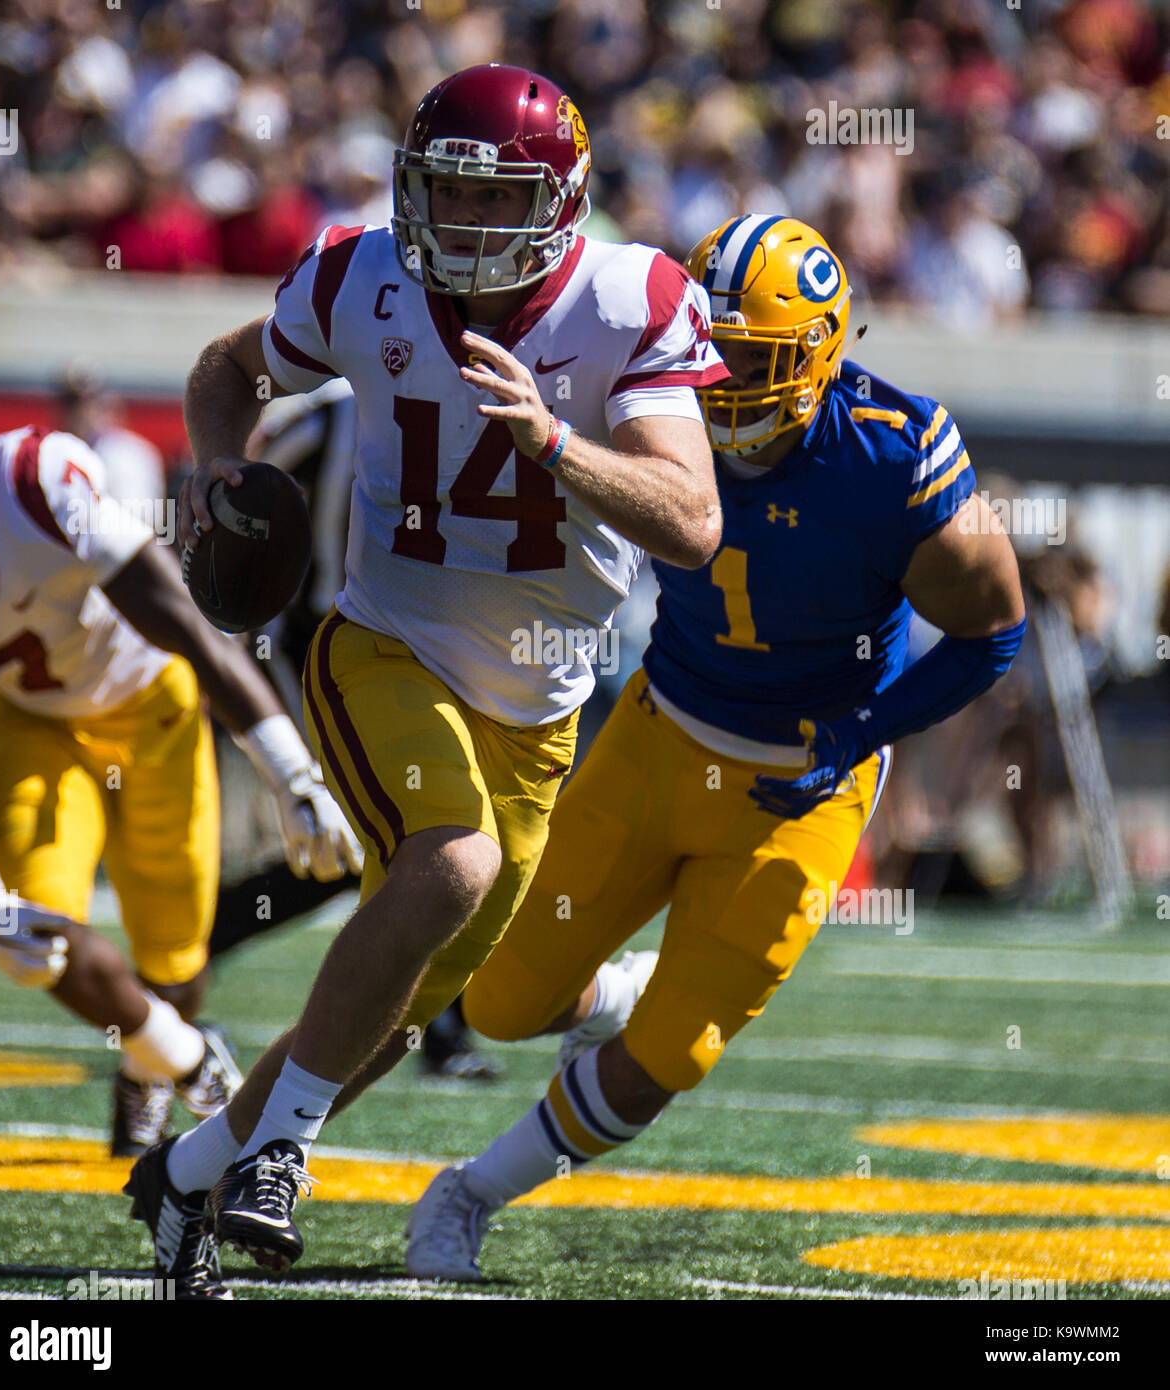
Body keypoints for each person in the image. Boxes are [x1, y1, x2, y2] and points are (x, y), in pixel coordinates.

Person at [122, 62, 727, 1298]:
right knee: (451, 863)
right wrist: (220, 475)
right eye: (440, 195)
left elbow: (692, 520)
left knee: (390, 1014)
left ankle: (188, 1172)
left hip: (539, 706)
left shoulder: (632, 298)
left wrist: (558, 443)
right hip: (379, 646)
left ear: (560, 202)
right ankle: (282, 1152)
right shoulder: (363, 276)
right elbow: (223, 368)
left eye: (489, 199)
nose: (458, 226)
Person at [400, 214, 1027, 1282]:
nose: (725, 375)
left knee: (672, 1056)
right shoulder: (651, 396)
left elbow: (992, 632)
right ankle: (619, 989)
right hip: (660, 732)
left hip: (803, 780)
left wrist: (862, 732)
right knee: (502, 1002)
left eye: (754, 354)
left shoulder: (893, 457)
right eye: (715, 343)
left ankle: (467, 1191)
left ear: (819, 352)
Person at [0, 422, 361, 1166]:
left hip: (154, 706)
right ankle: (185, 1060)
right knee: (29, 939)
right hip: (37, 724)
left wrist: (290, 770)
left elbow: (183, 620)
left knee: (178, 960)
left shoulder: (31, 484)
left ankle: (153, 1060)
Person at [209, 379, 504, 1081]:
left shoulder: (469, 401)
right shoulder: (333, 408)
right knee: (382, 838)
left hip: (425, 650)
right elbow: (241, 494)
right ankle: (202, 935)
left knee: (422, 837)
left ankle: (203, 934)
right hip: (319, 645)